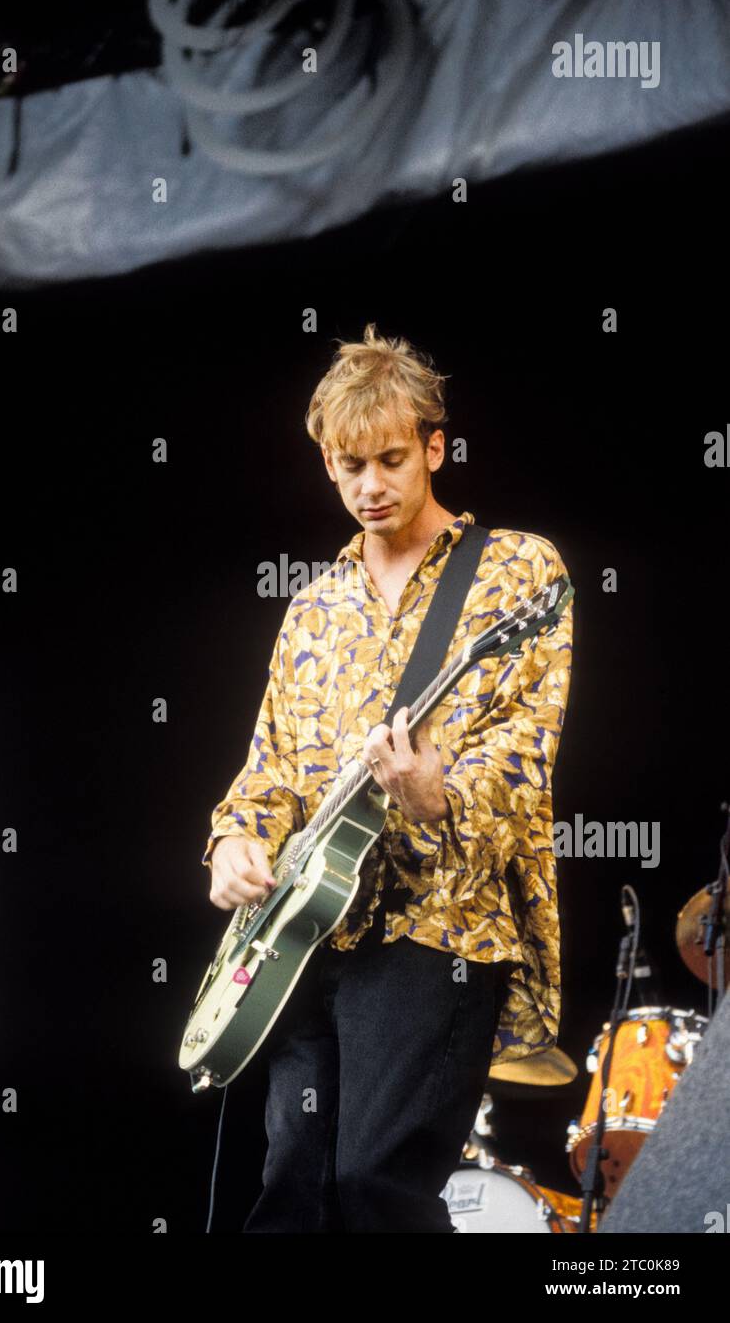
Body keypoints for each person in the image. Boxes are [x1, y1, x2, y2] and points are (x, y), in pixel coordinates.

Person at [200, 323, 574, 1232]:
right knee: (290, 1187)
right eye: (347, 465)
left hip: (438, 927)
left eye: (392, 459)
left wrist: (435, 795)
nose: (370, 486)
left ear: (435, 448)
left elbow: (521, 756)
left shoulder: (516, 572)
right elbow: (272, 765)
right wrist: (234, 841)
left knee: (374, 1185)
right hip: (302, 939)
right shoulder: (312, 605)